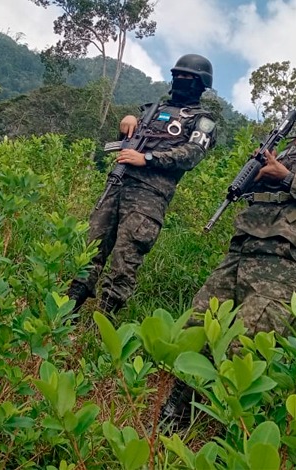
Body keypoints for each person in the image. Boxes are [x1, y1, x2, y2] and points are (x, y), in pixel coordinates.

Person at [161, 56, 296, 427]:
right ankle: (174, 415)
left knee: (244, 345)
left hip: (287, 255)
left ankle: (220, 434)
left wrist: (287, 177)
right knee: (198, 326)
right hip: (246, 240)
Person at [67, 54, 218, 315]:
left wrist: (146, 158)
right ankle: (64, 317)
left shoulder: (203, 120)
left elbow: (191, 154)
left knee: (125, 260)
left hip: (149, 196)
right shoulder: (152, 110)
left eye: (189, 78)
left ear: (201, 84)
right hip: (118, 182)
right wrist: (127, 122)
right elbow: (128, 141)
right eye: (178, 75)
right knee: (90, 250)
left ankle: (101, 329)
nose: (181, 81)